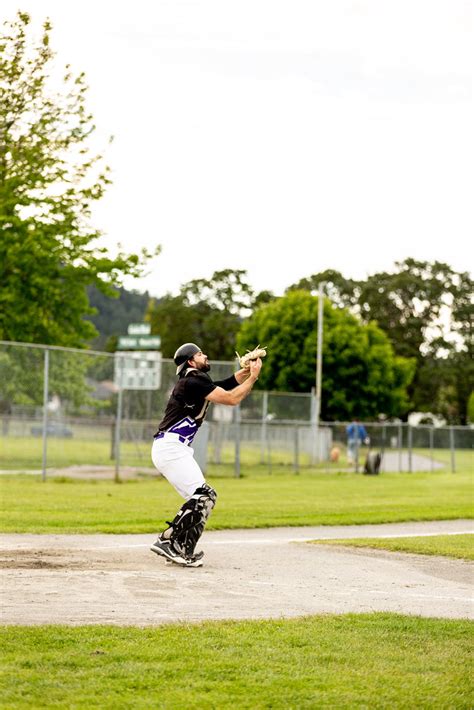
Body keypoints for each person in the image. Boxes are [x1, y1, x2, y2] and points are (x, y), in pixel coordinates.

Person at [150, 342, 262, 568]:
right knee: (203, 496)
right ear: (191, 362)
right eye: (200, 354)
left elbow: (226, 385)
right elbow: (231, 398)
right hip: (171, 448)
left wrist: (246, 372)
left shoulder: (194, 381)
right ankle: (167, 540)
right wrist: (253, 378)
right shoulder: (194, 380)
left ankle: (181, 548)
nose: (205, 355)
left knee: (204, 498)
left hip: (172, 448)